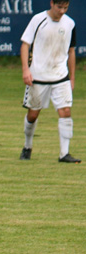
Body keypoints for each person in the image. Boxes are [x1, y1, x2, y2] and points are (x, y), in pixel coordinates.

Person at [19, 0, 80, 163]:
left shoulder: (70, 24)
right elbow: (25, 45)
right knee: (33, 114)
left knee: (65, 112)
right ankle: (27, 146)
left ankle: (64, 153)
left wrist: (72, 77)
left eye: (65, 8)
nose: (62, 11)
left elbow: (71, 51)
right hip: (38, 77)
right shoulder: (38, 20)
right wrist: (26, 69)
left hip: (61, 76)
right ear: (52, 4)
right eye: (59, 7)